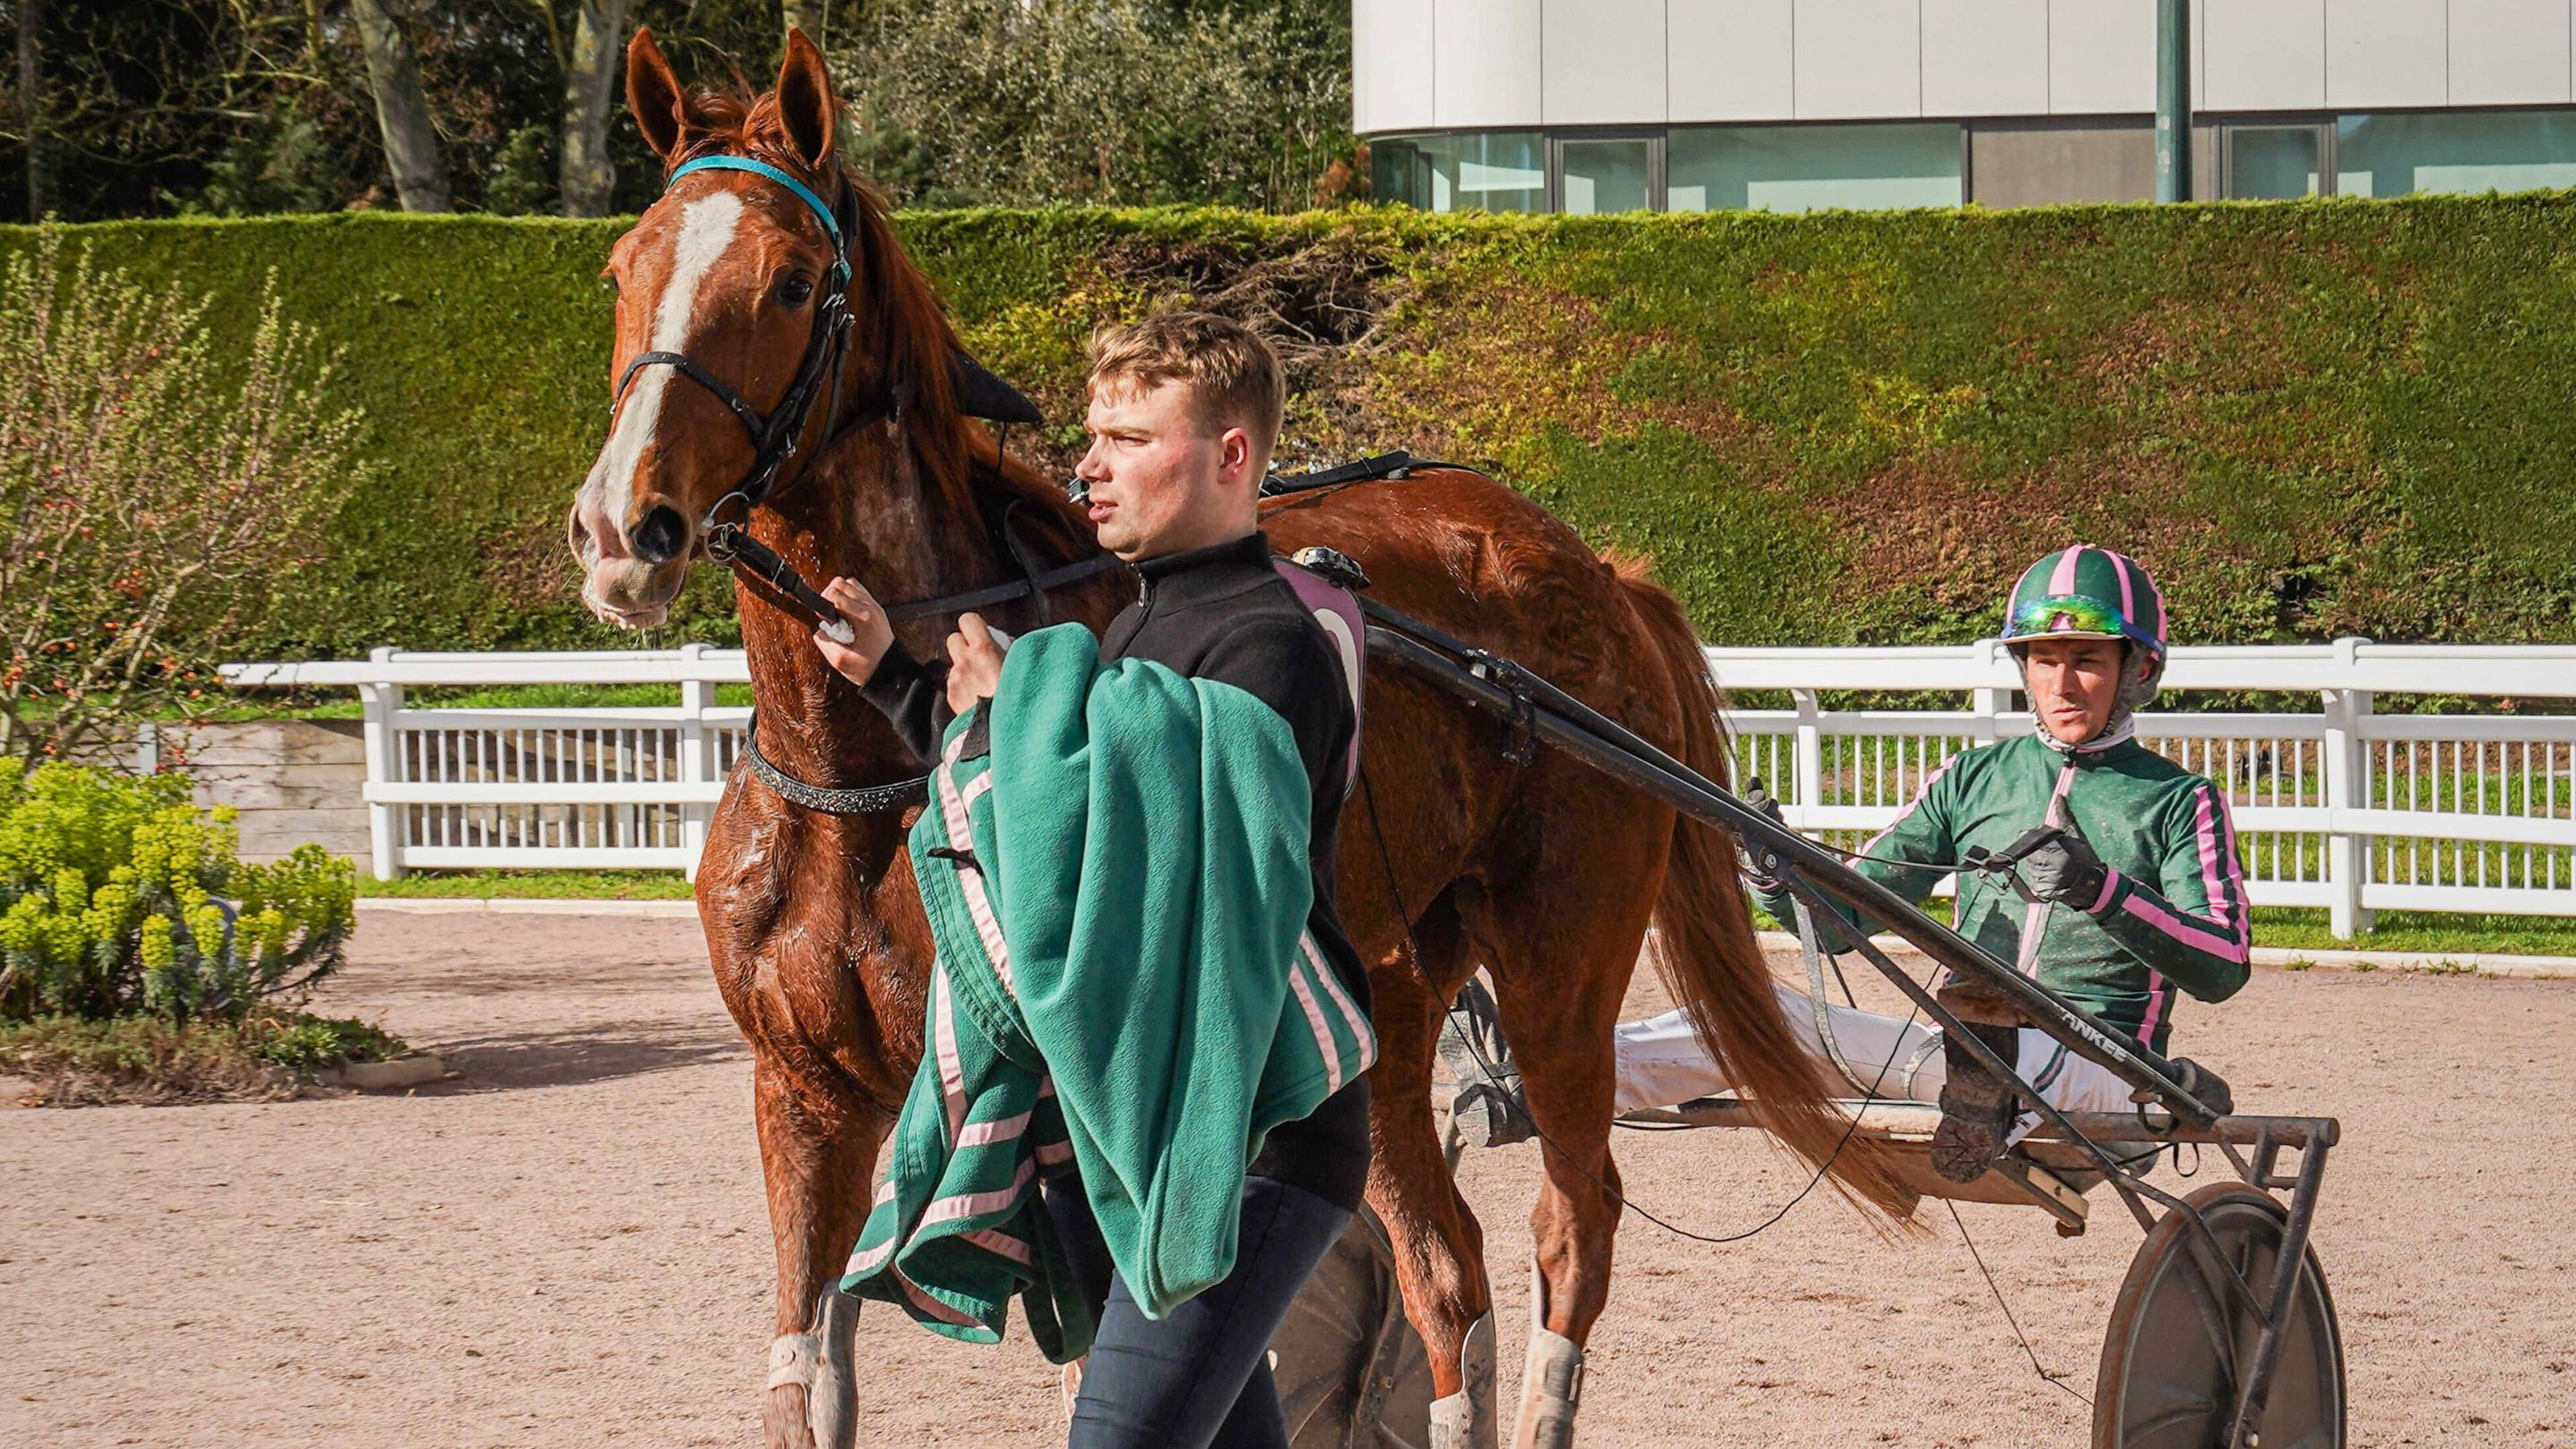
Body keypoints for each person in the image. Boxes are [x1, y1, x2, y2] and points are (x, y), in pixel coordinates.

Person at [816, 311, 1371, 1449]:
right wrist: (899, 681)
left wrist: (1025, 703)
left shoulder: (1273, 645)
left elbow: (1181, 865)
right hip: (1134, 1122)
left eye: (1127, 437)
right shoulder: (1128, 642)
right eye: (1092, 435)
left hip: (1250, 1135)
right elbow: (1066, 839)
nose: (1087, 465)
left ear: (1231, 457)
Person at [1454, 546, 2253, 1182]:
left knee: (1967, 1051)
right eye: (2044, 660)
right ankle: (1531, 1082)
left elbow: (2223, 967)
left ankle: (1987, 1077)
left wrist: (2100, 888)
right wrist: (1779, 876)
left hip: (2099, 1071)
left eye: (2086, 659)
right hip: (1953, 1059)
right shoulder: (1975, 779)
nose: (2062, 682)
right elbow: (1846, 923)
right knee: (1755, 1016)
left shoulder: (2181, 803)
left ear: (2138, 670)